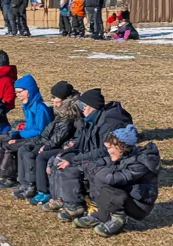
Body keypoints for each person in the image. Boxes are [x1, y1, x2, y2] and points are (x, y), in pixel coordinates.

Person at [52, 88, 134, 220]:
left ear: (92, 106)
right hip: (93, 155)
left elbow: (104, 150)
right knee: (58, 160)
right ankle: (63, 199)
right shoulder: (92, 119)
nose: (81, 109)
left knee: (69, 168)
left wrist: (75, 160)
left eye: (83, 105)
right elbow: (83, 142)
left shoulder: (109, 123)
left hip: (108, 159)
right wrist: (67, 152)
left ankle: (75, 206)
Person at [69, 125, 159, 237]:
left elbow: (113, 179)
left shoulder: (140, 163)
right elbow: (100, 163)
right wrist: (88, 166)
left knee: (107, 182)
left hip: (139, 205)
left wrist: (94, 169)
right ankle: (100, 215)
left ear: (121, 147)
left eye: (110, 147)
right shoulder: (123, 156)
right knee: (95, 176)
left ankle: (118, 219)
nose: (108, 151)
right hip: (127, 198)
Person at [16, 81, 80, 203]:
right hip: (51, 142)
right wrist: (35, 142)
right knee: (25, 148)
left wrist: (45, 146)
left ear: (64, 99)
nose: (53, 100)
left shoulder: (69, 115)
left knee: (41, 156)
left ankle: (41, 190)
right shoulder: (60, 111)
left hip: (63, 147)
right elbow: (47, 131)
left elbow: (60, 136)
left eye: (55, 97)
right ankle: (23, 182)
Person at [0, 74, 53, 189]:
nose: (17, 95)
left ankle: (9, 177)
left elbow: (40, 131)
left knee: (8, 145)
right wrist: (20, 130)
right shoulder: (28, 105)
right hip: (29, 135)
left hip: (38, 139)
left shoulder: (40, 108)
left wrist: (20, 134)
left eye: (19, 92)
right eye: (16, 92)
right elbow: (30, 126)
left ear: (29, 90)